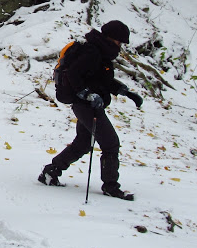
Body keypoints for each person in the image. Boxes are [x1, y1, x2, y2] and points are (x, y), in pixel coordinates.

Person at [38, 20, 144, 200]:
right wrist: (86, 94)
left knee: (83, 142)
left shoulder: (100, 51)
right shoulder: (92, 51)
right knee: (110, 143)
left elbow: (100, 79)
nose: (120, 46)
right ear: (111, 38)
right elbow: (73, 74)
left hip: (89, 104)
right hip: (86, 105)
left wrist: (125, 91)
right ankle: (111, 186)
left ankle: (50, 172)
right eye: (119, 42)